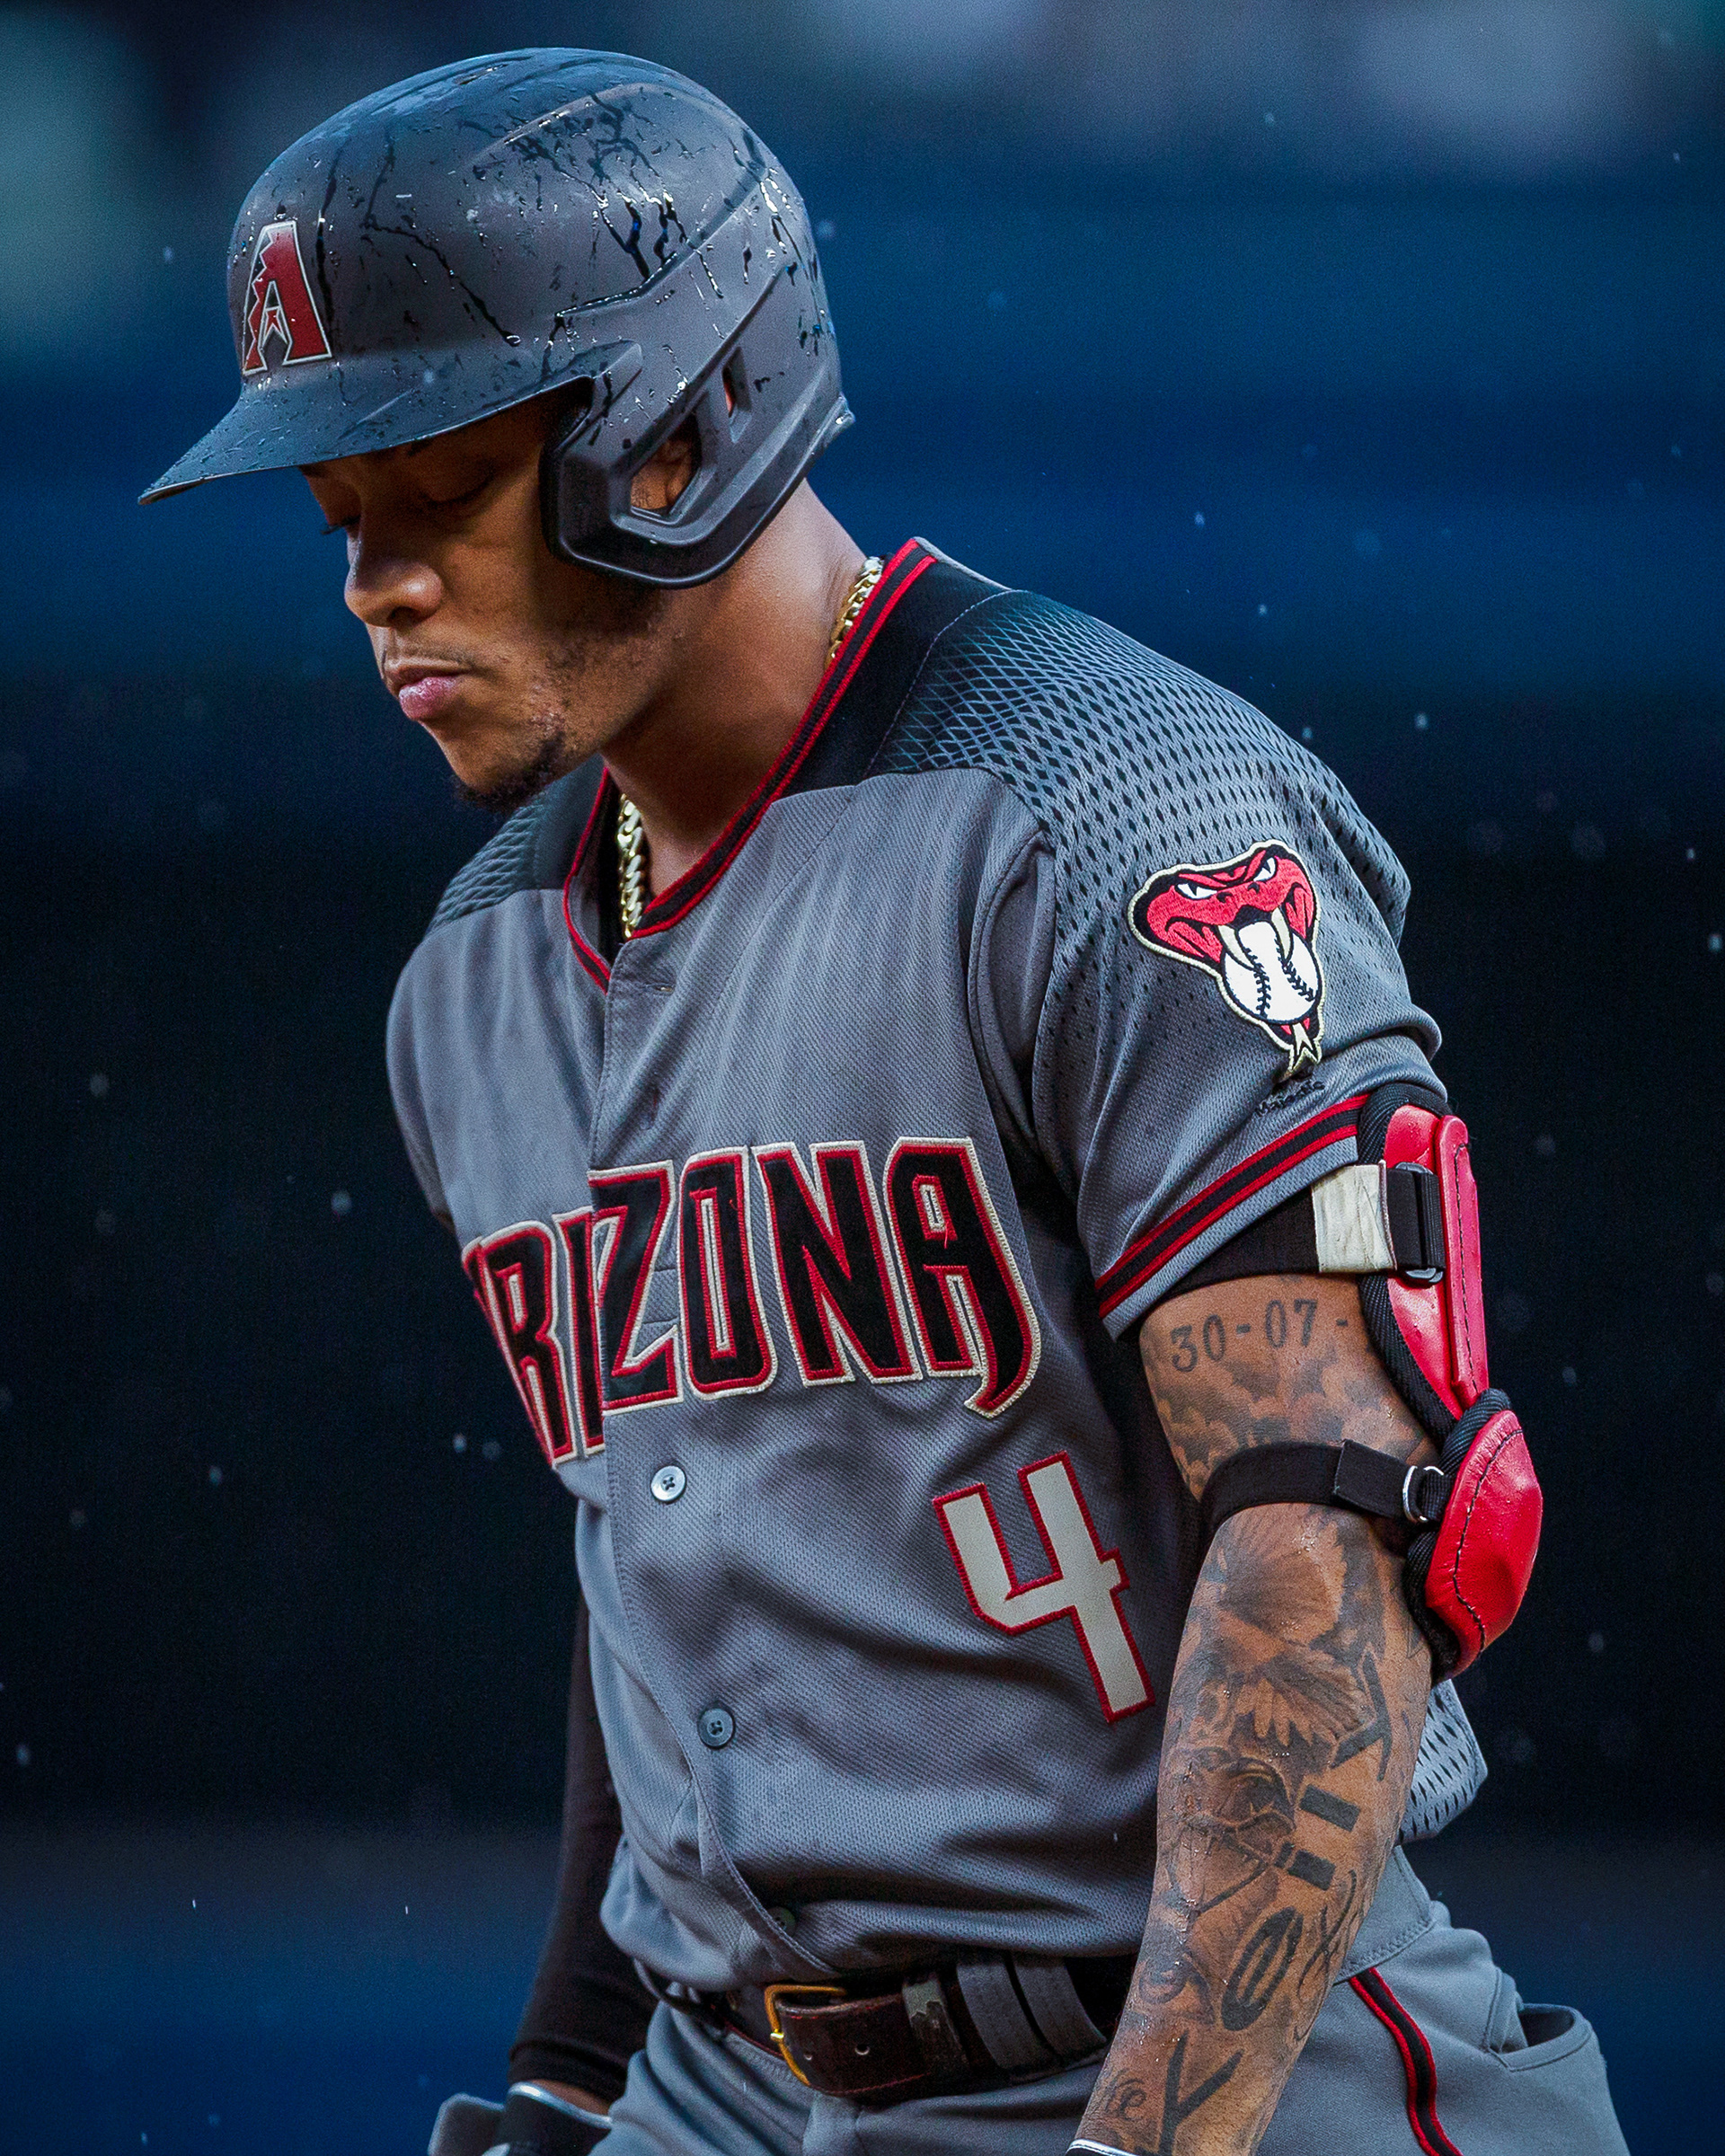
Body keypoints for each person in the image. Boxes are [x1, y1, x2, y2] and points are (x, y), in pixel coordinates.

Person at [145, 49, 1631, 2156]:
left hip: (1222, 2052)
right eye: (340, 525)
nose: (374, 587)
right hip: (732, 2084)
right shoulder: (472, 980)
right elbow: (664, 1574)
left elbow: (1346, 1536)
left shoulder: (1113, 809)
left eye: (434, 500)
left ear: (674, 427)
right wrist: (573, 2084)